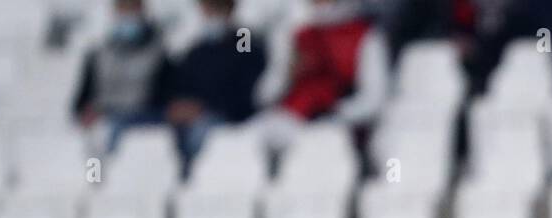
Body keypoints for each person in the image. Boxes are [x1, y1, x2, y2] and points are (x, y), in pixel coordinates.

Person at [252, 0, 389, 151]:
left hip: (343, 130)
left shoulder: (365, 35)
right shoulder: (301, 35)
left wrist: (336, 114)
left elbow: (374, 96)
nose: (317, 4)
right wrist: (286, 70)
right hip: (293, 128)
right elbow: (266, 95)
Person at [165, 0, 266, 161]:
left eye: (215, 9)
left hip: (232, 114)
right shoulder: (200, 47)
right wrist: (181, 104)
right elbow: (184, 82)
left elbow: (245, 82)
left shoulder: (243, 37)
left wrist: (203, 107)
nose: (210, 15)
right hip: (197, 113)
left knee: (198, 131)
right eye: (207, 10)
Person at [73, 0, 171, 151]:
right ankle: (97, 171)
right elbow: (82, 100)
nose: (126, 15)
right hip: (103, 121)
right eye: (122, 9)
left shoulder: (159, 54)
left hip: (141, 123)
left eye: (131, 9)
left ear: (141, 11)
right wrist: (85, 111)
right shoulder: (98, 55)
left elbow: (165, 97)